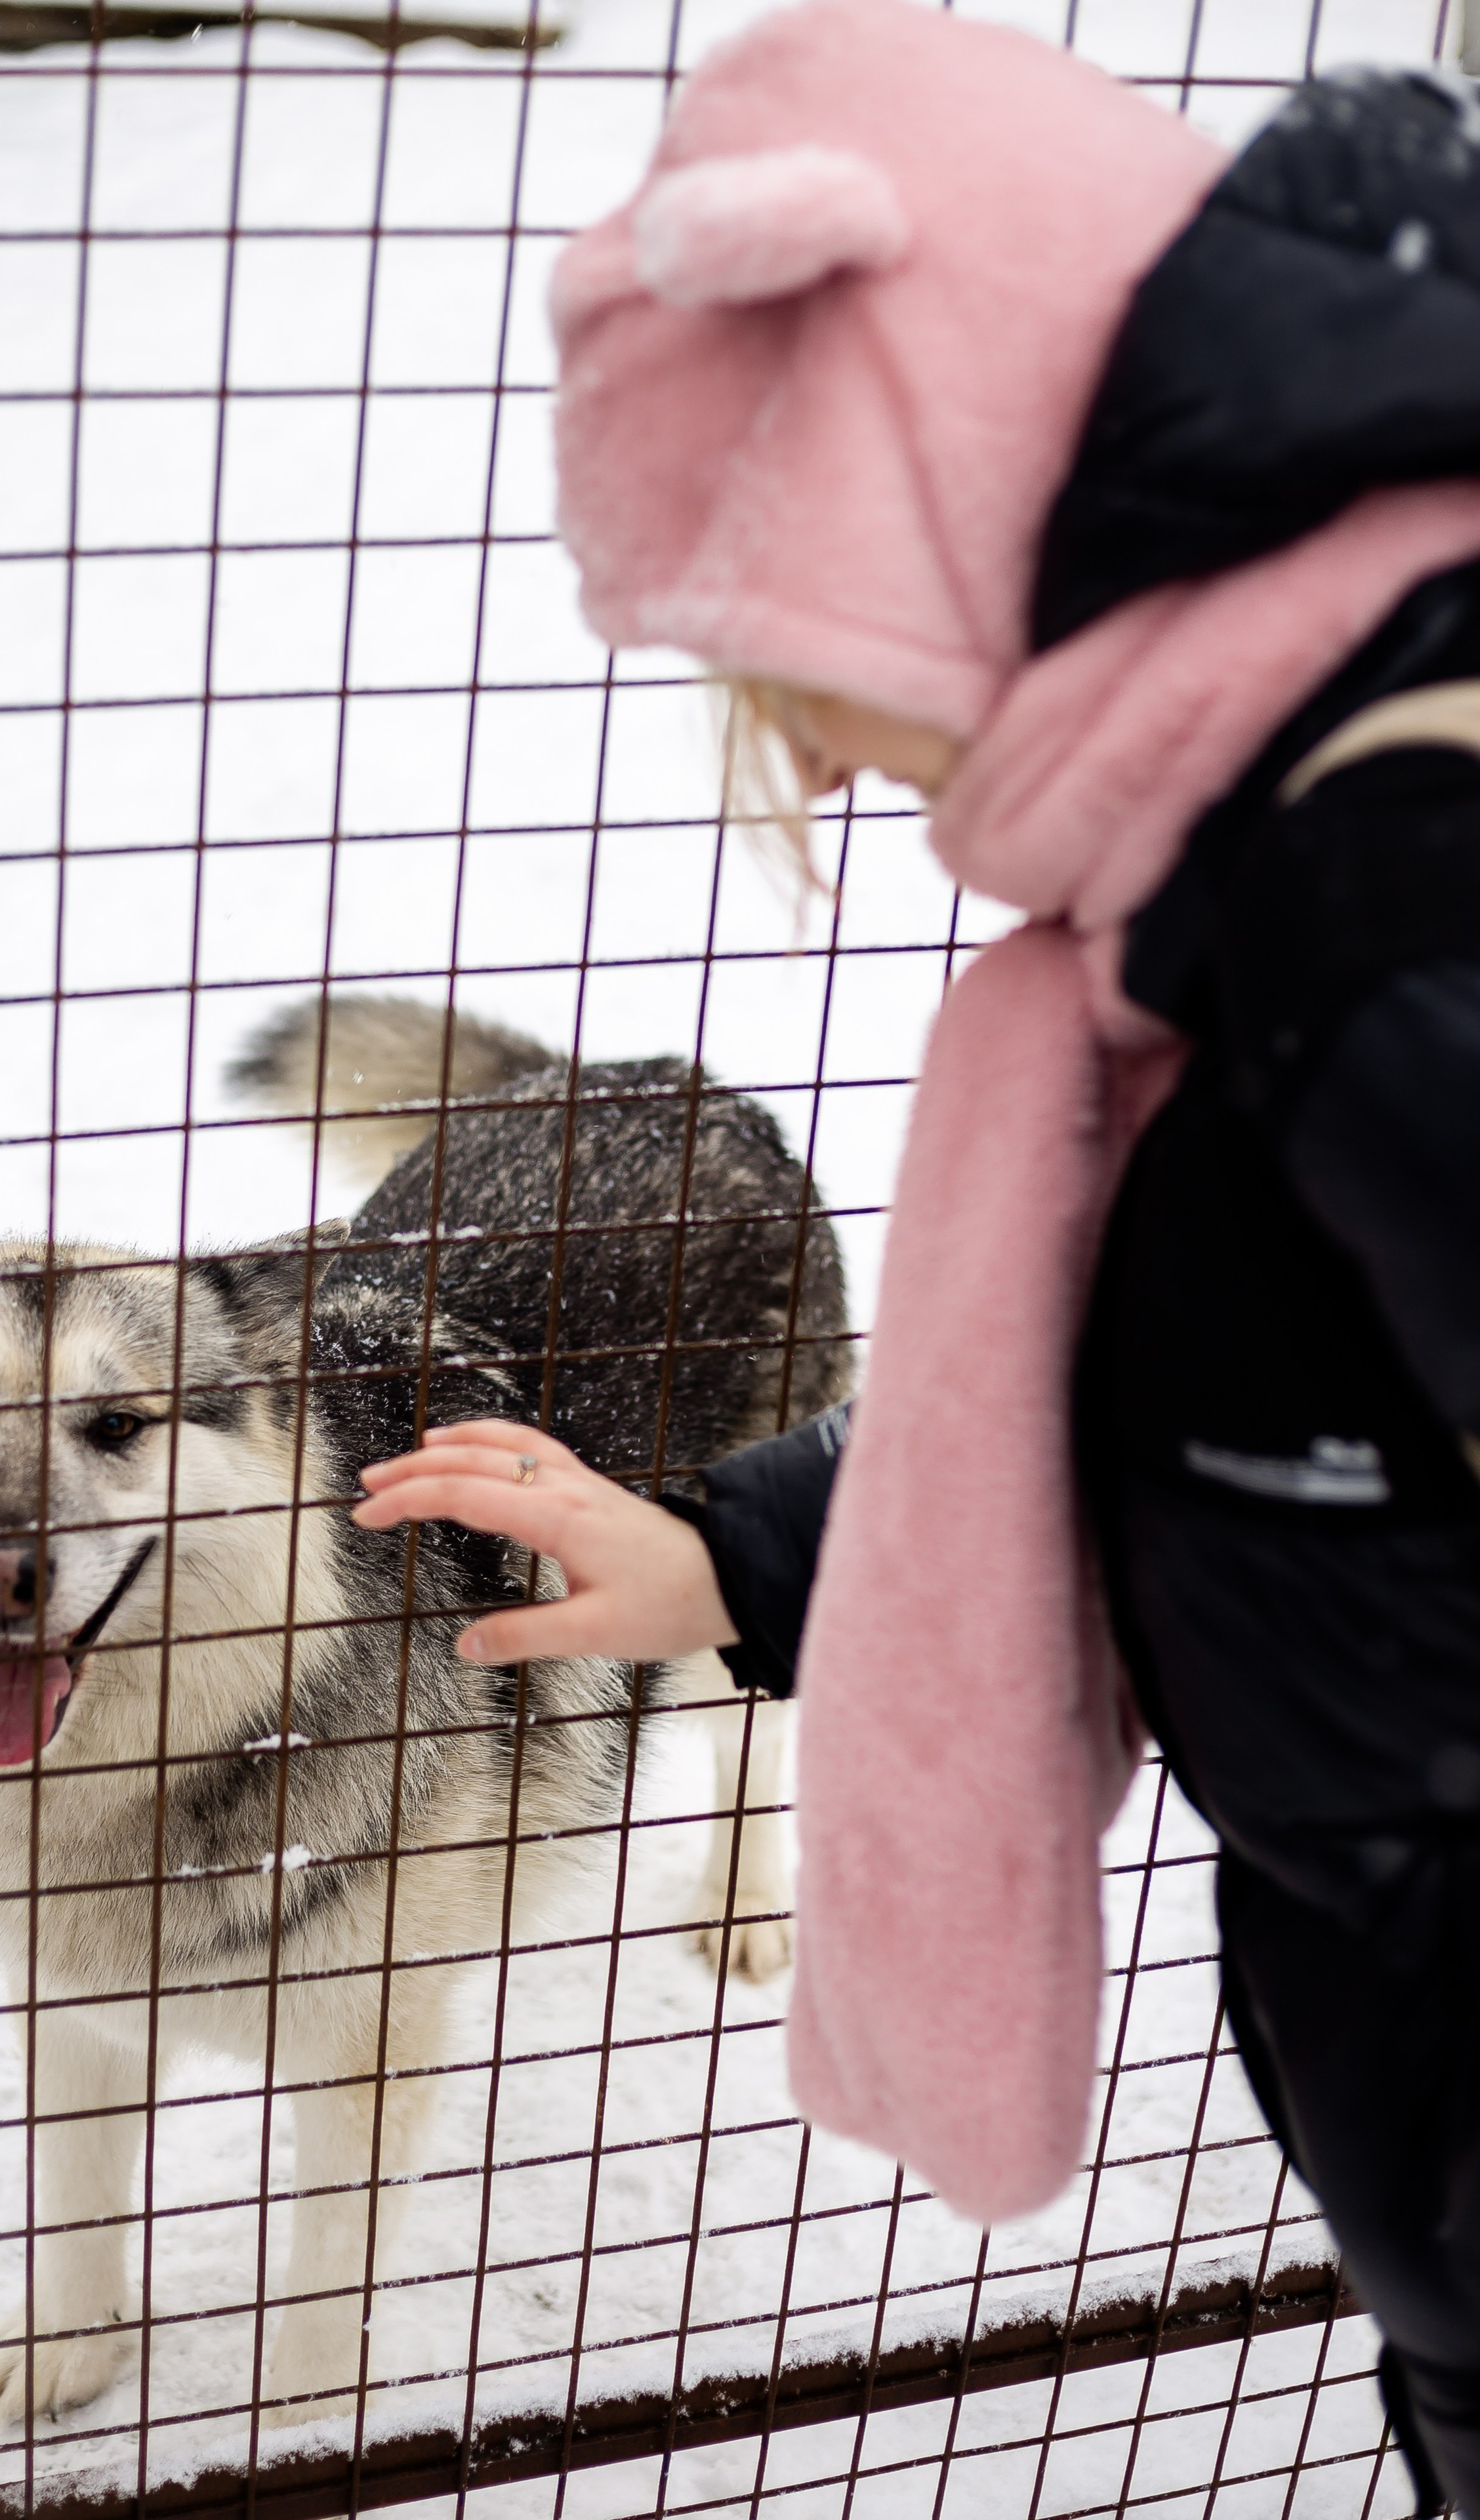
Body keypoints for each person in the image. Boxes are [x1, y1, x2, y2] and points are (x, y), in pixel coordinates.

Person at [354, 5, 1480, 2504]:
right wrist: (737, 1547)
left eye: (811, 661)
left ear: (970, 474)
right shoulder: (1255, 874)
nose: (840, 763)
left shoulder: (1398, 923)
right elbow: (1237, 1396)